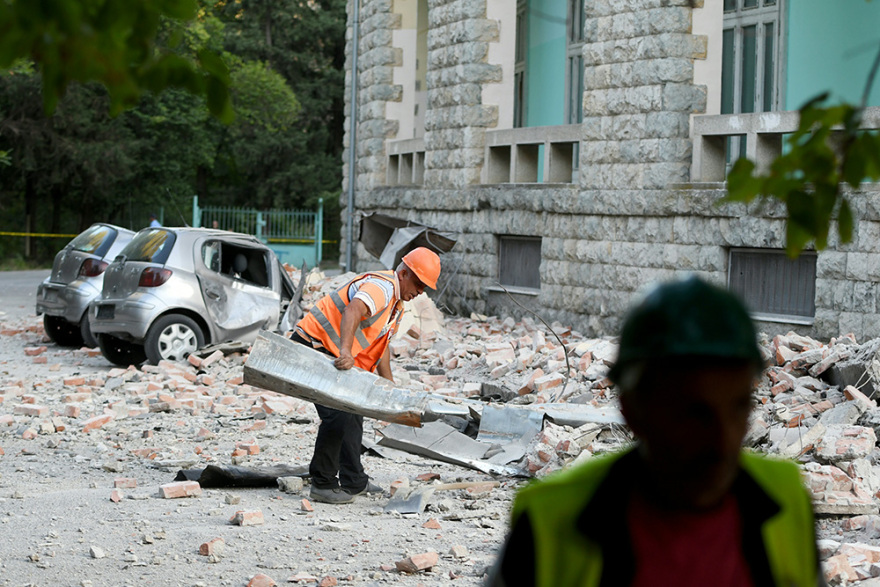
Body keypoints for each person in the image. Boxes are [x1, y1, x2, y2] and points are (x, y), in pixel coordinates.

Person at [488, 276, 822, 587]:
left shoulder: (787, 500)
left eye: (738, 407)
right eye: (694, 413)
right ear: (632, 411)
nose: (722, 439)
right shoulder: (551, 523)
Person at [291, 247, 441, 504]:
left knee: (353, 411)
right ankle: (323, 483)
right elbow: (352, 311)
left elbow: (381, 347)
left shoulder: (396, 306)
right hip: (313, 344)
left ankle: (353, 480)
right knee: (337, 413)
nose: (420, 292)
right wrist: (346, 351)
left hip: (331, 350)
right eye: (418, 283)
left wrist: (388, 385)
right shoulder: (381, 288)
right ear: (403, 273)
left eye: (425, 287)